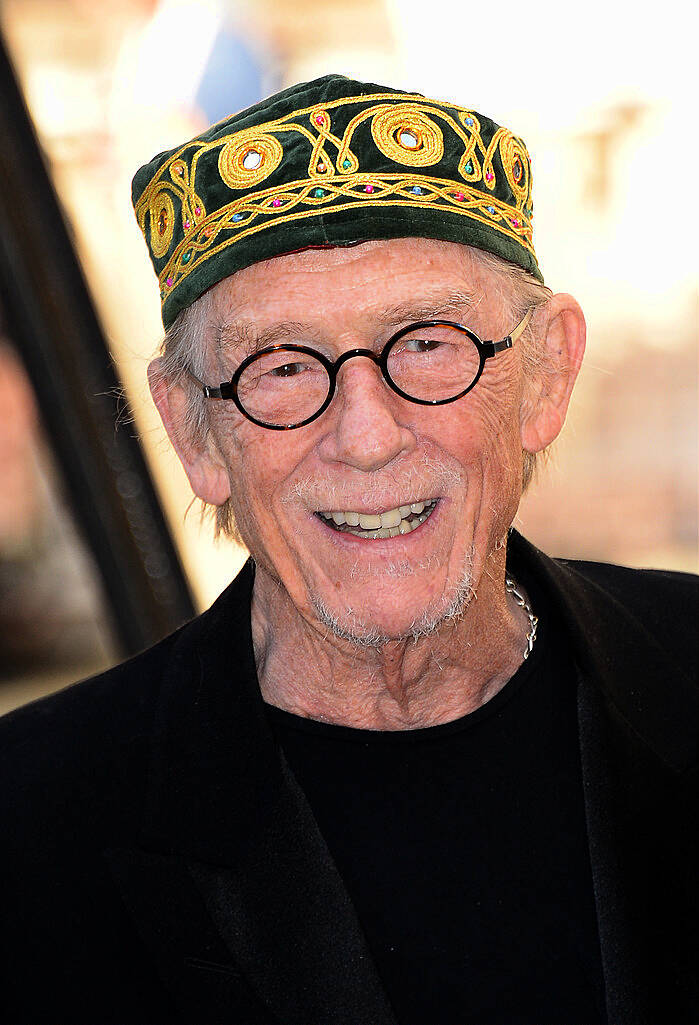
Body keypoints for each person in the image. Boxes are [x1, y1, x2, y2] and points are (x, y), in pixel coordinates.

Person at [1, 75, 696, 1025]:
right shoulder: (32, 823)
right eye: (281, 367)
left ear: (545, 375)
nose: (365, 434)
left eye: (426, 344)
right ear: (194, 432)